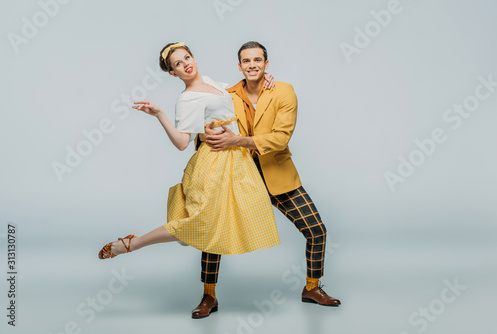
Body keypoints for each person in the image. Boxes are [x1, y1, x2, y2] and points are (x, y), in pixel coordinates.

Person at [97, 42, 280, 319]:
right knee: (199, 222)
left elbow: (238, 96)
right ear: (173, 73)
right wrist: (159, 114)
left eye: (187, 57)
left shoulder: (210, 81)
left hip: (237, 161)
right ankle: (131, 244)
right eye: (178, 64)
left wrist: (262, 78)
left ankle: (209, 294)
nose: (186, 64)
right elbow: (183, 142)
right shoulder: (187, 99)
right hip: (213, 163)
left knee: (217, 226)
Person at [200, 41, 341, 309]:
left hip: (276, 174)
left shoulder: (284, 92)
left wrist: (236, 141)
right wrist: (206, 134)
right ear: (239, 66)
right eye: (246, 61)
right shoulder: (226, 95)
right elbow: (208, 126)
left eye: (257, 60)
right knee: (213, 234)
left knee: (316, 231)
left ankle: (312, 288)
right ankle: (209, 295)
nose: (252, 65)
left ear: (266, 64)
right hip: (236, 176)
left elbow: (280, 138)